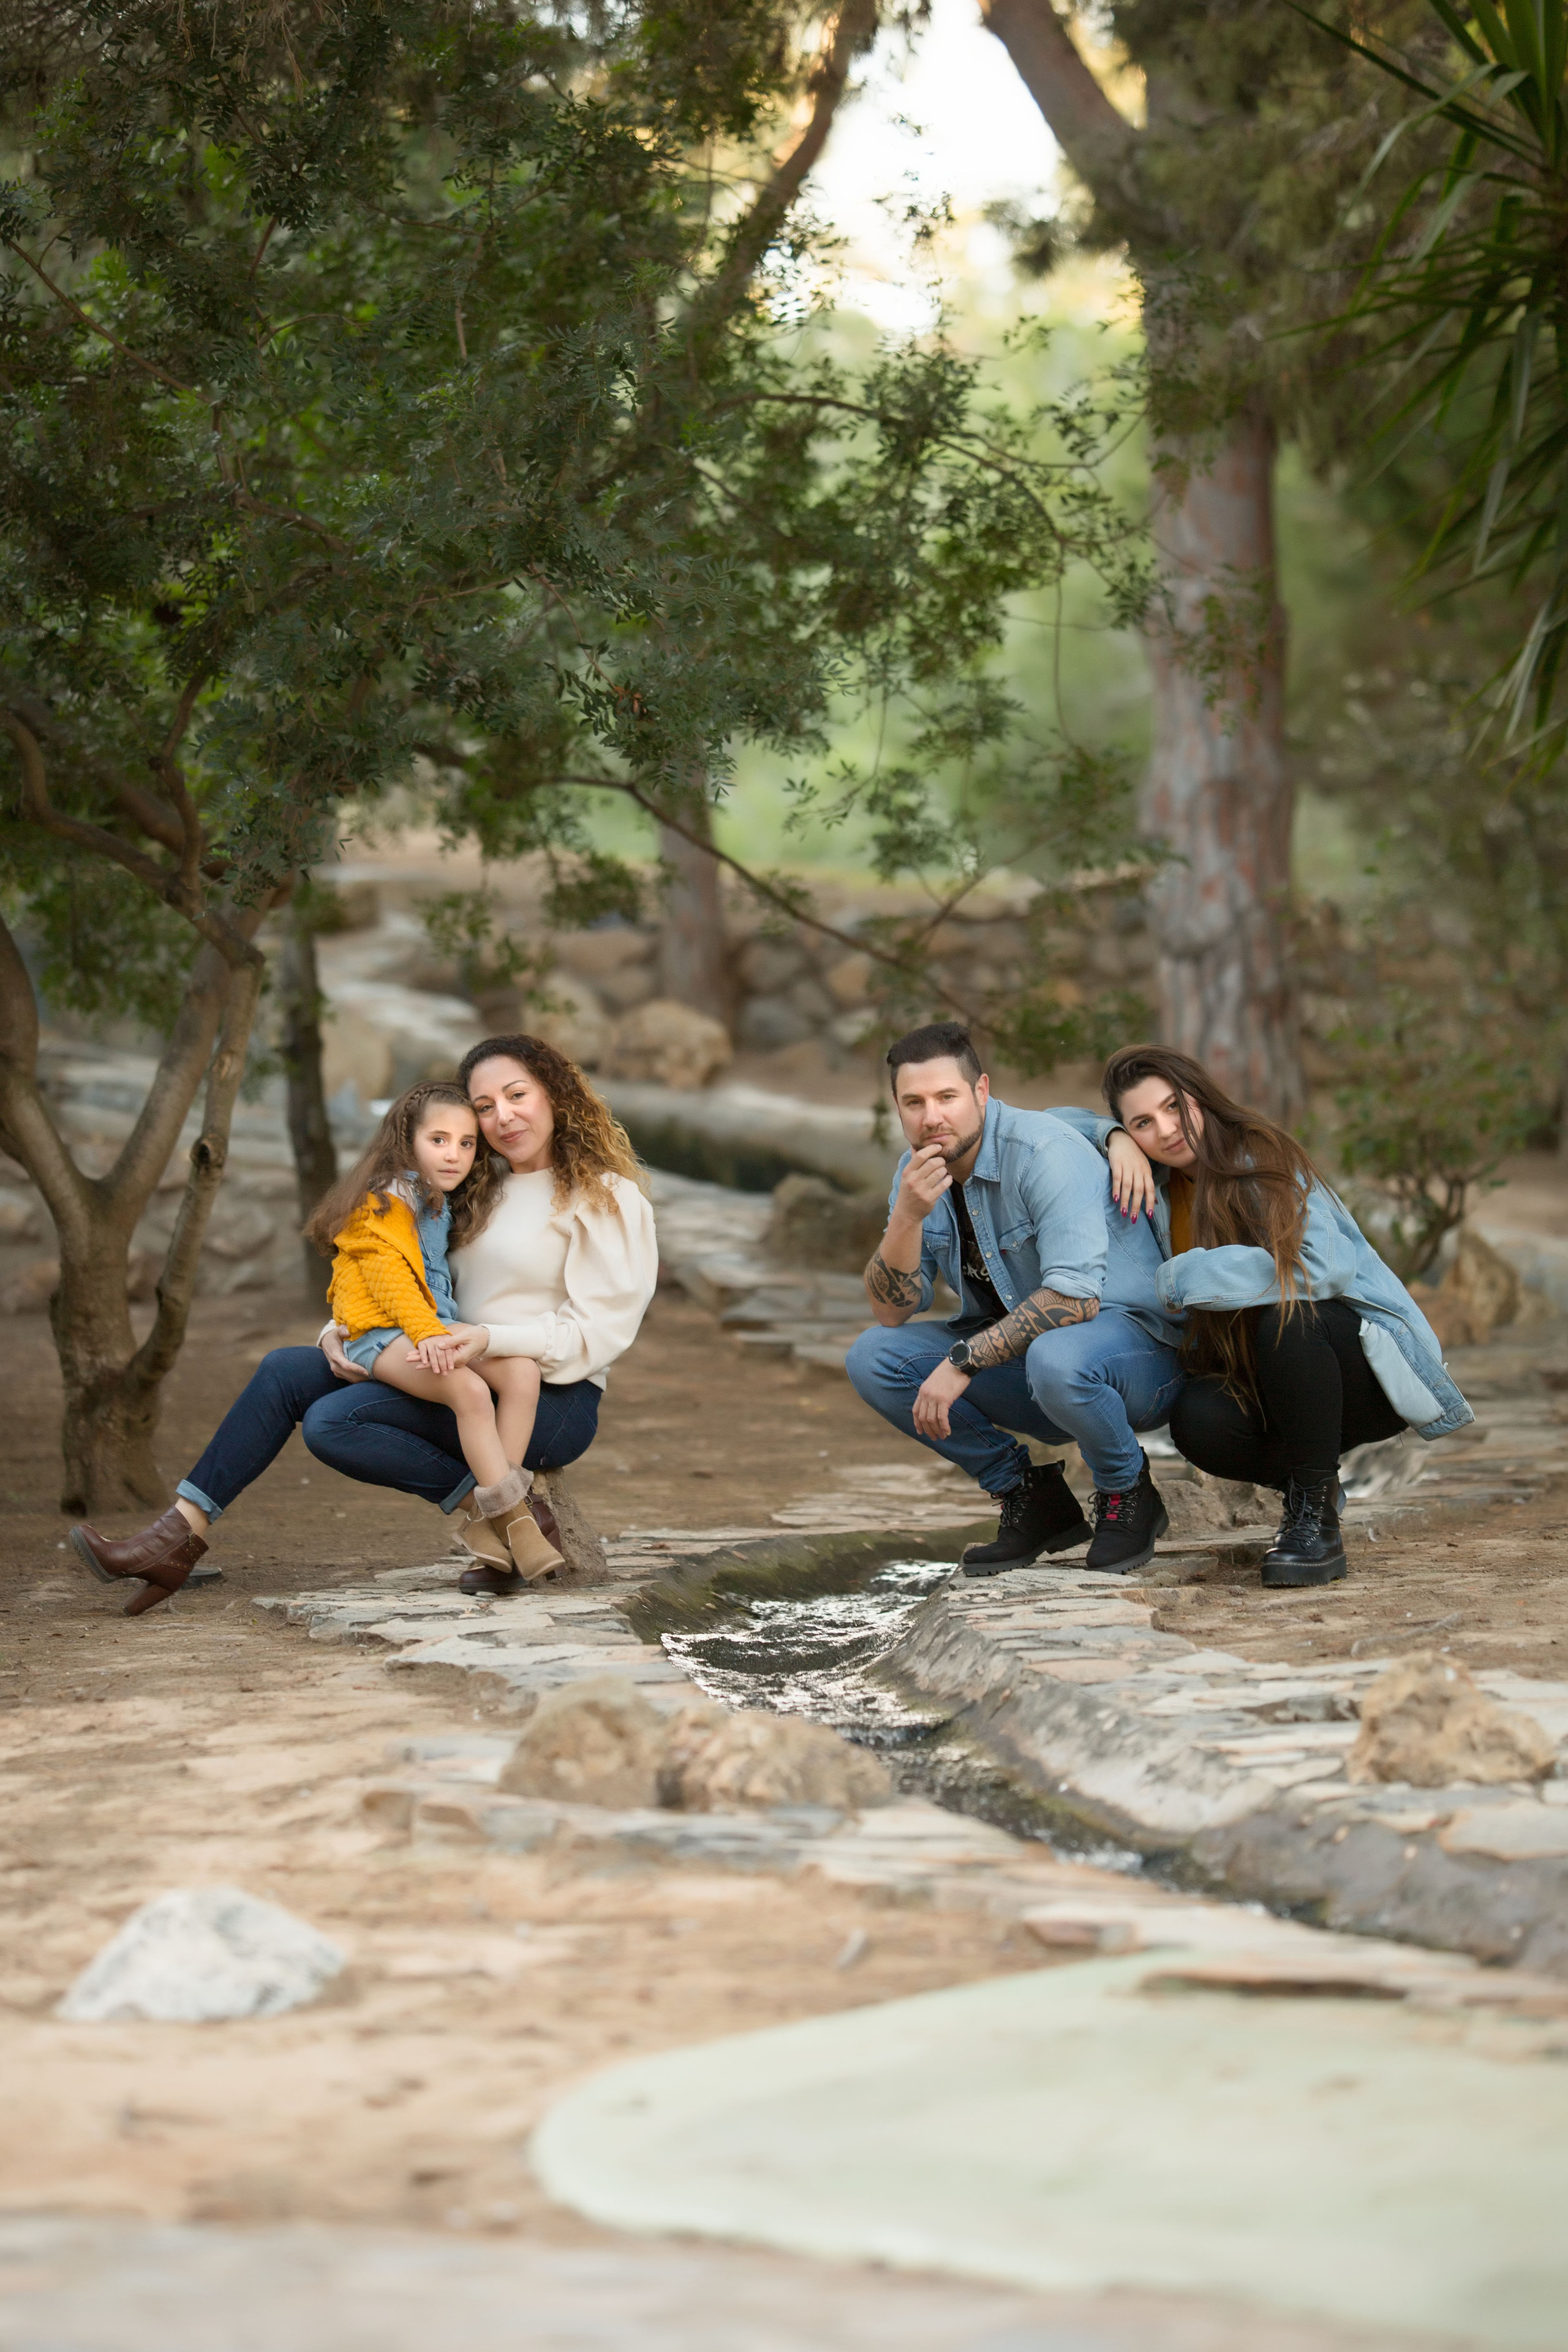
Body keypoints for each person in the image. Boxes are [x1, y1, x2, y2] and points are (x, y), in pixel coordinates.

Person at [69, 1035, 658, 1612]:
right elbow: (397, 1269)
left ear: (554, 1092)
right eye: (484, 1107)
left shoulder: (605, 1196)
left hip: (549, 1396)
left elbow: (601, 1332)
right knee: (283, 1369)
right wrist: (343, 1331)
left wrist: (489, 1338)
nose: (501, 1117)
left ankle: (509, 1517)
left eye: (517, 1095)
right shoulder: (476, 1184)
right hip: (445, 1357)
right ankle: (175, 1538)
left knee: (334, 1421)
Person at [1096, 1044, 1474, 1587]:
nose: (1167, 1128)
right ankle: (1312, 1488)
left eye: (1174, 1106)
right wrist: (1109, 1139)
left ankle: (1314, 1526)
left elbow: (1322, 1268)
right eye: (1143, 1123)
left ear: (1198, 1096)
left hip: (1361, 1368)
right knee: (1197, 1421)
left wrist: (1184, 1277)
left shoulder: (1260, 1155)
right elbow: (1055, 1126)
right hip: (1276, 1385)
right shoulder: (1160, 1187)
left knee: (1289, 1318)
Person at [843, 1021, 1187, 1577]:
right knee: (874, 1357)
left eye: (947, 1097)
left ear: (981, 1092)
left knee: (1059, 1355)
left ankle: (1128, 1492)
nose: (932, 1116)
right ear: (898, 1108)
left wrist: (965, 1360)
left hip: (1136, 1363)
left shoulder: (1041, 1154)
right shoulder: (915, 1175)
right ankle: (1030, 1497)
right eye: (914, 1102)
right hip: (1036, 1368)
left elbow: (1074, 1300)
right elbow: (892, 1310)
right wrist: (906, 1218)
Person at [304, 1079, 562, 1583]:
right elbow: (393, 1283)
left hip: (429, 1327)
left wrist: (442, 1331)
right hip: (381, 1334)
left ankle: (494, 1521)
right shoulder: (381, 1203)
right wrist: (431, 1337)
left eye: (467, 1143)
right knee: (468, 1390)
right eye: (438, 1141)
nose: (454, 1155)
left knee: (521, 1375)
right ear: (408, 1143)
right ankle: (519, 1522)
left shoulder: (433, 1202)